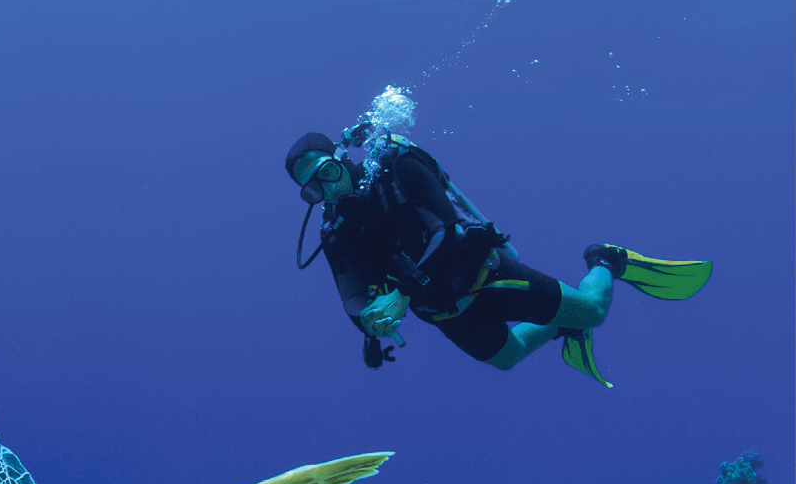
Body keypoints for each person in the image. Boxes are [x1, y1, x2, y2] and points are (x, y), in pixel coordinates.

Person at [284, 128, 711, 386]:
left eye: (327, 172)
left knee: (596, 312)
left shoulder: (397, 169)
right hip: (445, 312)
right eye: (313, 189)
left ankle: (606, 261)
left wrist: (402, 296)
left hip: (488, 277)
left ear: (342, 159)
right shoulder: (335, 231)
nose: (328, 190)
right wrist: (369, 322)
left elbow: (446, 230)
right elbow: (351, 294)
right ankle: (564, 326)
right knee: (507, 358)